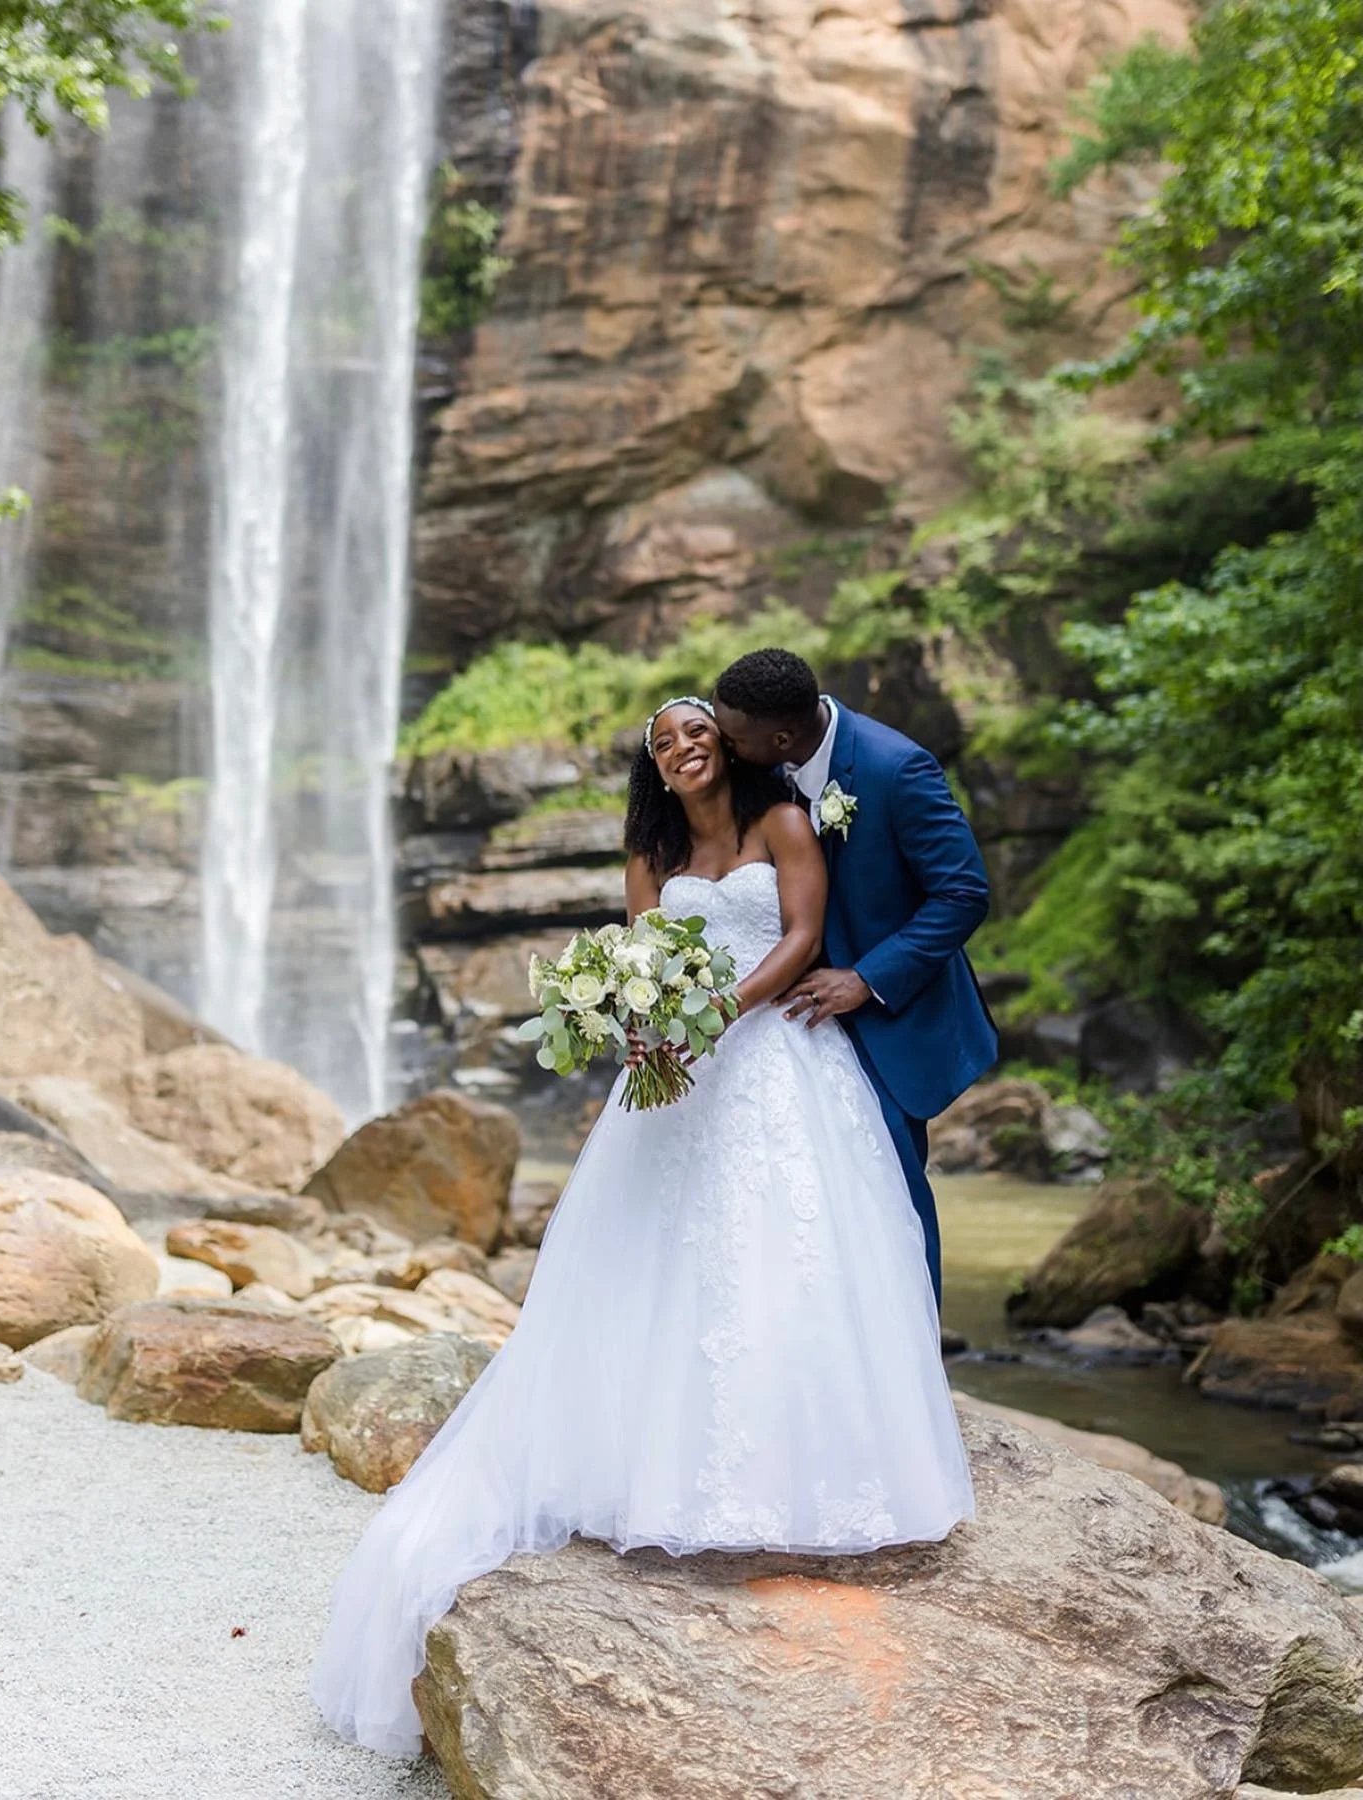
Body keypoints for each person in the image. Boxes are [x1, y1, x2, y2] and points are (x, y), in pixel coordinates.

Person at [310, 696, 974, 1759]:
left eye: (697, 731)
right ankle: (650, 1461)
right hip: (675, 1075)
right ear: (655, 767)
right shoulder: (652, 847)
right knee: (656, 1267)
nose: (684, 749)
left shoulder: (781, 822)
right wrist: (637, 1022)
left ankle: (808, 1468)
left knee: (787, 1263)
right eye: (664, 743)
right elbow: (639, 950)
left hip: (777, 1064)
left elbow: (803, 935)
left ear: (726, 739)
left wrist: (715, 1014)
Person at [713, 650, 998, 1306]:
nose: (725, 746)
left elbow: (962, 893)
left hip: (884, 1017)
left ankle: (917, 1371)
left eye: (734, 737)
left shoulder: (896, 769)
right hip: (789, 1027)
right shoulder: (764, 769)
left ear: (780, 739)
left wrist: (867, 979)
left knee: (889, 1195)